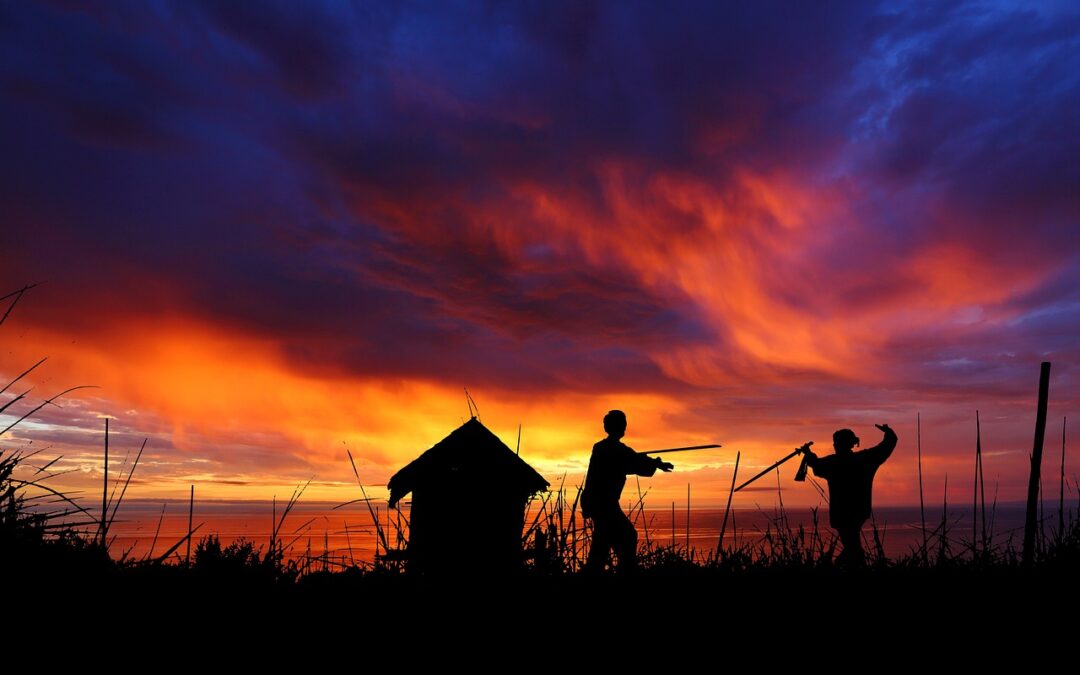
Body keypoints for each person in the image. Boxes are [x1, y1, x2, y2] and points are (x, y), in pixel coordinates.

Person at [581, 410, 673, 572]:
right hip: (605, 504)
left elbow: (634, 459)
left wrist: (657, 463)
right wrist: (657, 463)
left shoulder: (603, 448)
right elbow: (634, 461)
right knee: (626, 535)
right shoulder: (613, 450)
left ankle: (612, 571)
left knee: (603, 541)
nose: (624, 428)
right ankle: (626, 571)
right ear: (618, 427)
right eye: (622, 425)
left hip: (597, 503)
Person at [803, 423, 897, 566]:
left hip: (841, 514)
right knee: (853, 547)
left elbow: (816, 464)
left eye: (836, 443)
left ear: (838, 444)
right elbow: (887, 445)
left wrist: (808, 453)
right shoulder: (866, 459)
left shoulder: (833, 463)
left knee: (852, 548)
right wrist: (888, 432)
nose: (834, 445)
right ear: (853, 443)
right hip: (860, 512)